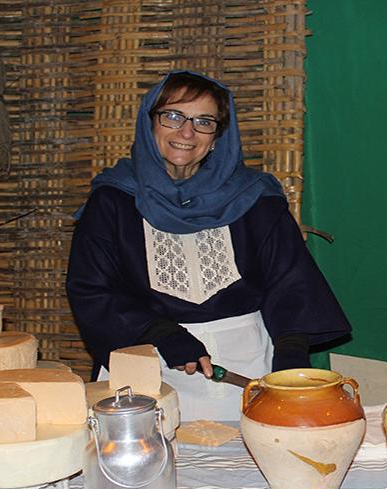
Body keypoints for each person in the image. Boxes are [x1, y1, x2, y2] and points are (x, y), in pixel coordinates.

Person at [67, 71, 350, 420]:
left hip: (249, 368)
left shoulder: (256, 198)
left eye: (204, 122)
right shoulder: (112, 201)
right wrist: (160, 333)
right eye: (173, 116)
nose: (187, 132)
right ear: (149, 123)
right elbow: (91, 288)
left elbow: (291, 281)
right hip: (148, 371)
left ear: (217, 137)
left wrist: (290, 356)